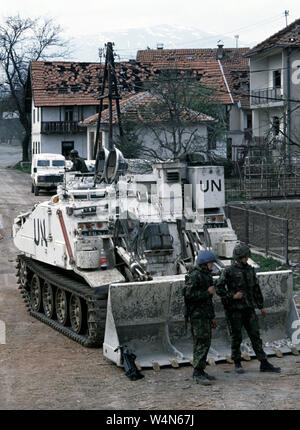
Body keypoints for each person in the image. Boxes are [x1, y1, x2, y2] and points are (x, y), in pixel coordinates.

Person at [215, 243, 281, 374]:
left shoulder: (250, 270)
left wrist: (260, 306)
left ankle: (263, 362)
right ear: (238, 258)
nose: (246, 259)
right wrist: (232, 296)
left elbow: (256, 289)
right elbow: (218, 288)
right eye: (244, 257)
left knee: (255, 335)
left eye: (247, 257)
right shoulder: (228, 271)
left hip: (248, 309)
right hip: (234, 310)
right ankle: (237, 363)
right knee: (236, 337)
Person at [184, 250, 218, 385]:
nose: (212, 266)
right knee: (200, 343)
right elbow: (189, 296)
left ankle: (201, 370)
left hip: (205, 315)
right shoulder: (194, 275)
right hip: (197, 316)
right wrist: (206, 292)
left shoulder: (206, 275)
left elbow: (209, 301)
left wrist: (212, 317)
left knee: (206, 342)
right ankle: (197, 372)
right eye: (211, 263)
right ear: (204, 263)